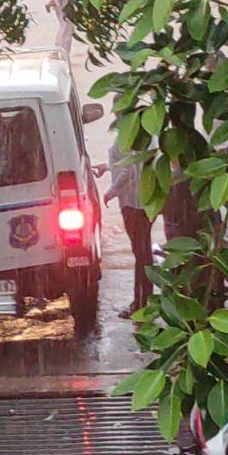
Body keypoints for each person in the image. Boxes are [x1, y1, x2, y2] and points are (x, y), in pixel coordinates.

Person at [101, 132, 153, 319]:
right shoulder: (143, 134)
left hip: (133, 202)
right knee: (143, 253)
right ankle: (143, 301)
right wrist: (107, 167)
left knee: (141, 255)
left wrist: (112, 191)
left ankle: (141, 304)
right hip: (143, 201)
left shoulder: (131, 135)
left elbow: (130, 167)